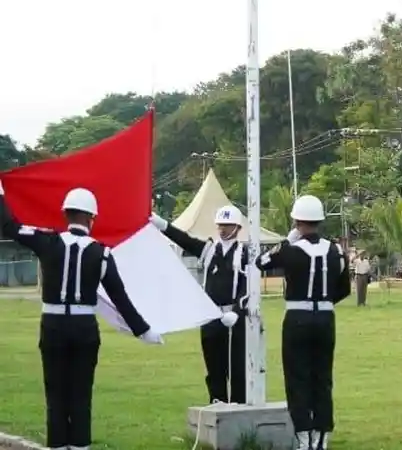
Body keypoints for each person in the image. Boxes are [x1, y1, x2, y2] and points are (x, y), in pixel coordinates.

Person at [0, 179, 161, 450]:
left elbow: (8, 226)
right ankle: (80, 446)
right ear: (92, 218)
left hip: (52, 326)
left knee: (56, 394)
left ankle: (58, 446)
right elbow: (120, 298)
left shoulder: (47, 241)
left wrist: (2, 193)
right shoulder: (102, 254)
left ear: (65, 213)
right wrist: (143, 330)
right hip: (84, 327)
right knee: (80, 394)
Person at [256, 195, 351, 450]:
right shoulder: (337, 250)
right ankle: (322, 435)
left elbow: (261, 262)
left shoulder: (291, 250)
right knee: (322, 377)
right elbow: (344, 290)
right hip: (325, 318)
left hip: (297, 317)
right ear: (320, 220)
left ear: (297, 221)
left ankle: (303, 435)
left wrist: (287, 240)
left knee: (297, 377)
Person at [151, 206, 250, 404]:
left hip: (234, 318)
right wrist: (163, 225)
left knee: (237, 368)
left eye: (227, 225)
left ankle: (239, 407)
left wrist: (238, 312)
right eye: (220, 225)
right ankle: (217, 402)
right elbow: (185, 240)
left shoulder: (244, 253)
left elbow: (248, 288)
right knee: (214, 366)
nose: (222, 229)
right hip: (211, 316)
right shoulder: (210, 250)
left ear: (237, 228)